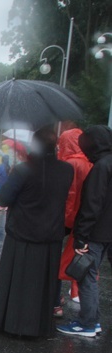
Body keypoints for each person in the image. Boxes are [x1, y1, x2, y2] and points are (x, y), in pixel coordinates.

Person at [0, 126, 73, 337]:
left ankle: (10, 324)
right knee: (42, 285)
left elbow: (3, 198)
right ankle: (39, 326)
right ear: (55, 146)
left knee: (17, 282)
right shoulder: (67, 169)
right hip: (50, 236)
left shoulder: (23, 169)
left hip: (22, 234)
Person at [56, 125, 112, 337]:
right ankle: (92, 320)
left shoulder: (100, 167)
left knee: (87, 277)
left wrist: (81, 237)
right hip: (109, 232)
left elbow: (92, 204)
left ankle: (88, 323)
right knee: (92, 274)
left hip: (95, 233)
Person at [55, 128, 94, 314]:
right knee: (79, 255)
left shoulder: (69, 164)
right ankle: (76, 291)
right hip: (85, 217)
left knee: (57, 257)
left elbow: (69, 195)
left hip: (67, 216)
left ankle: (54, 299)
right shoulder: (90, 162)